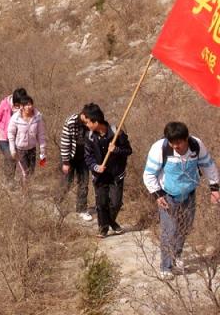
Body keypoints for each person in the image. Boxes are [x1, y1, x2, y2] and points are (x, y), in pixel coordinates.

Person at [143, 122, 220, 279]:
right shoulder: (159, 148)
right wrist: (158, 195)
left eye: (179, 142)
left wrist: (214, 188)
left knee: (184, 228)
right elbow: (149, 174)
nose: (175, 146)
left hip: (189, 193)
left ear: (186, 138)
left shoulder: (196, 145)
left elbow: (208, 165)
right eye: (172, 142)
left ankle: (176, 256)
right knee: (169, 231)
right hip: (167, 196)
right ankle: (165, 267)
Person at [83, 103, 132, 238]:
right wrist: (95, 167)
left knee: (116, 203)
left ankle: (111, 222)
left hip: (116, 174)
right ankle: (103, 228)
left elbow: (128, 150)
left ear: (95, 122)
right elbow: (88, 157)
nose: (87, 125)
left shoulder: (117, 132)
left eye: (88, 122)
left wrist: (116, 150)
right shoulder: (89, 137)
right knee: (101, 203)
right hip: (99, 176)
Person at [60, 108, 92, 221]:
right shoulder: (71, 122)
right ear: (83, 115)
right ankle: (58, 203)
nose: (89, 121)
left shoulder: (91, 123)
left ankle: (81, 209)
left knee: (84, 183)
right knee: (67, 182)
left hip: (83, 158)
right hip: (69, 156)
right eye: (88, 118)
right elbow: (65, 143)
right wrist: (65, 162)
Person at [0, 88, 27, 182]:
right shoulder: (5, 103)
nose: (18, 106)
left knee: (13, 157)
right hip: (2, 136)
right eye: (17, 104)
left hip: (15, 137)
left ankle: (10, 178)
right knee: (10, 155)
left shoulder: (24, 107)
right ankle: (9, 180)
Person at [7, 95, 46, 181]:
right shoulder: (16, 118)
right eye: (26, 105)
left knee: (31, 172)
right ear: (21, 106)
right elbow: (11, 134)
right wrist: (12, 149)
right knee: (24, 173)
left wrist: (42, 150)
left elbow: (41, 134)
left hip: (32, 149)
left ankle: (29, 187)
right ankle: (23, 188)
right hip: (20, 150)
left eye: (30, 104)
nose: (29, 107)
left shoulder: (37, 117)